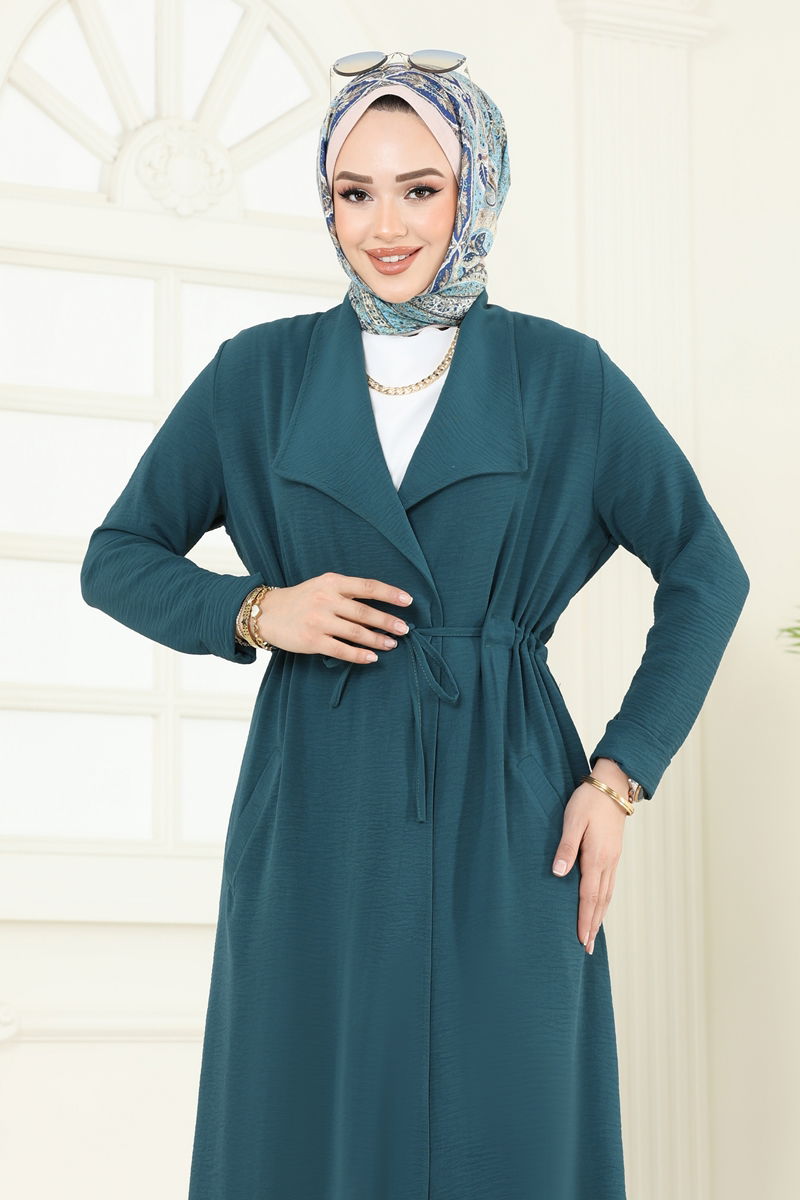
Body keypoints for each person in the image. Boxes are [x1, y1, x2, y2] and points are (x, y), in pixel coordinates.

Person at [80, 50, 750, 1200]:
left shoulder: (562, 377)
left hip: (510, 804)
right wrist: (257, 608)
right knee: (303, 1119)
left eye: (418, 188)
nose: (383, 226)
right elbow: (117, 556)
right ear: (327, 201)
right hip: (316, 808)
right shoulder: (258, 376)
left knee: (507, 1123)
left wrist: (618, 776)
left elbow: (704, 566)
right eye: (354, 192)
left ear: (473, 188)